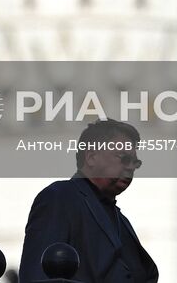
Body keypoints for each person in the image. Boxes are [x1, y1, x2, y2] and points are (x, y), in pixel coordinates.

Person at [19, 119, 158, 283]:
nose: (131, 167)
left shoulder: (120, 219)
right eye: (124, 159)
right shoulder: (60, 197)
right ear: (91, 157)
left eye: (136, 162)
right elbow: (37, 276)